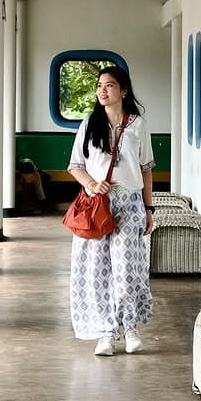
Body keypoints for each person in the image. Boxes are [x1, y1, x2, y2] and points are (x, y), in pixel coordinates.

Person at [66, 65, 155, 356]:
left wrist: (149, 208)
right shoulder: (89, 124)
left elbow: (146, 170)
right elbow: (75, 166)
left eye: (110, 85)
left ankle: (129, 327)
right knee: (97, 271)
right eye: (100, 86)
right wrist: (92, 184)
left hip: (129, 203)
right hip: (96, 205)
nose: (103, 91)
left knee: (127, 269)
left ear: (124, 90)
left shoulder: (138, 125)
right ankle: (105, 332)